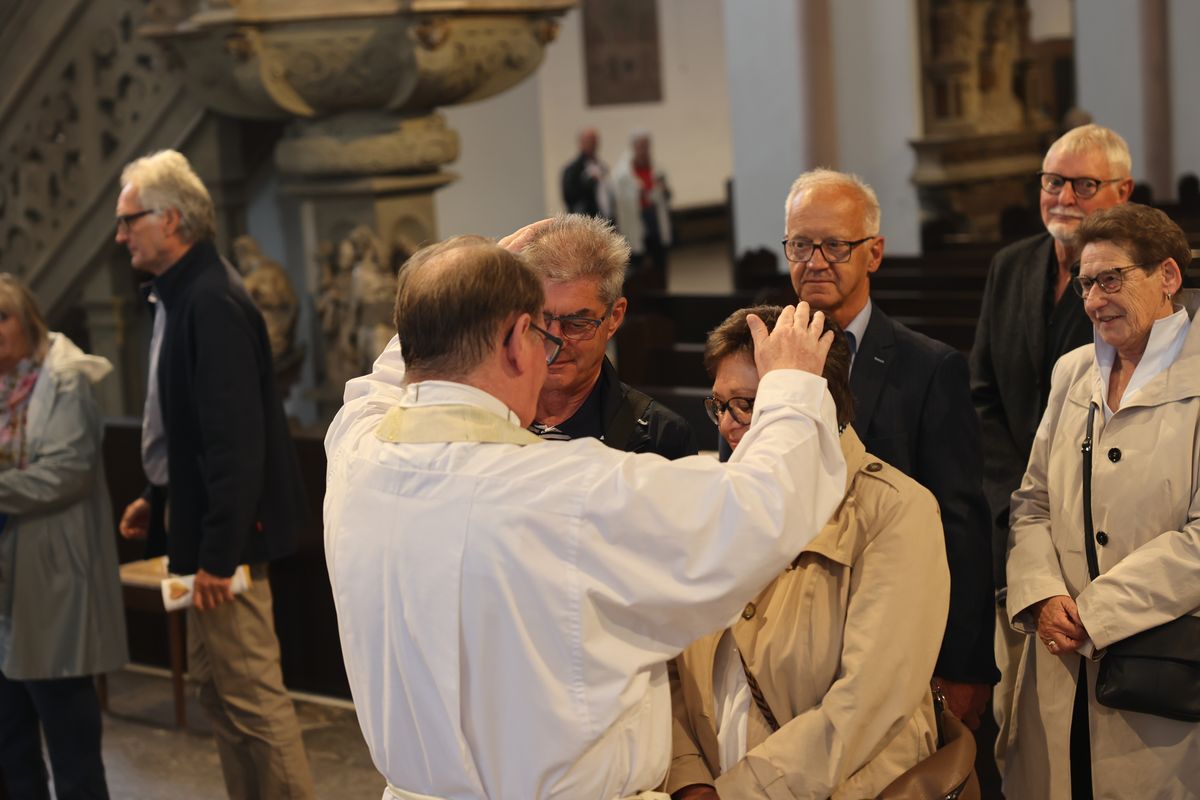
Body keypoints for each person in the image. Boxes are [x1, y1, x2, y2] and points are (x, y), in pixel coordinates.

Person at [323, 235, 849, 800]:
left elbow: (378, 387)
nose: (548, 354)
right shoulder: (569, 492)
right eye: (538, 331)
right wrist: (791, 385)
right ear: (512, 342)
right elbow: (761, 510)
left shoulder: (356, 455)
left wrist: (463, 290)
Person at [668, 306, 950, 799]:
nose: (729, 427)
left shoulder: (896, 510)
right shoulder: (708, 500)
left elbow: (871, 699)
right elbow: (668, 663)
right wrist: (688, 778)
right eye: (719, 405)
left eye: (749, 404)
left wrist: (741, 791)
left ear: (819, 402)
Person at [113, 149, 316, 799]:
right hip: (197, 527)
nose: (120, 236)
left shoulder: (213, 300)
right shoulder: (180, 292)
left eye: (129, 221)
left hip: (226, 542)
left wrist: (221, 557)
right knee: (219, 693)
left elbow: (238, 445)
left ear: (170, 220)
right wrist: (157, 492)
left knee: (254, 699)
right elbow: (188, 424)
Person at [784, 168, 998, 726]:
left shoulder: (929, 368)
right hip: (785, 642)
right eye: (801, 244)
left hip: (895, 633)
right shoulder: (761, 357)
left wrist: (966, 664)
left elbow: (961, 524)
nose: (815, 261)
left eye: (835, 245)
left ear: (874, 253)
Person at [1004, 203, 1200, 799]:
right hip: (1059, 658)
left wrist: (1098, 612)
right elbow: (1032, 500)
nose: (1094, 300)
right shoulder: (1073, 371)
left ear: (1167, 276)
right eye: (1087, 283)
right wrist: (1042, 593)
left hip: (1162, 670)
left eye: (1111, 279)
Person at [969, 123, 1133, 768]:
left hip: (1101, 520)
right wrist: (1015, 498)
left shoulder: (1136, 285)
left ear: (1122, 191)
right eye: (1051, 181)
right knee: (1027, 728)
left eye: (1083, 184)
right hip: (1015, 515)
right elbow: (982, 394)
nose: (1062, 195)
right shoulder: (1011, 266)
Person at [0, 275, 126, 799]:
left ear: (28, 320)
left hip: (54, 578)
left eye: (2, 317)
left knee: (71, 743)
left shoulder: (66, 379)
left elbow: (67, 470)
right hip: (6, 590)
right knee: (12, 746)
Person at [520, 213, 696, 457]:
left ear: (614, 317)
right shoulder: (488, 413)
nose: (555, 342)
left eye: (577, 323)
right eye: (541, 319)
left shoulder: (659, 437)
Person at [614, 130, 671, 275]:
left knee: (659, 264)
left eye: (646, 146)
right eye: (641, 146)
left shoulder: (656, 167)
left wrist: (663, 190)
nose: (644, 150)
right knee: (638, 268)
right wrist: (639, 191)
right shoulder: (624, 173)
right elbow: (620, 198)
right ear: (633, 147)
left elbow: (666, 195)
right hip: (635, 222)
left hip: (654, 221)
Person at [561, 128, 613, 220]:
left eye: (594, 142)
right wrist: (588, 183)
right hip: (585, 220)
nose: (592, 145)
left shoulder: (601, 166)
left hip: (605, 218)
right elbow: (570, 197)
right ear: (581, 143)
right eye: (589, 142)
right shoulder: (572, 170)